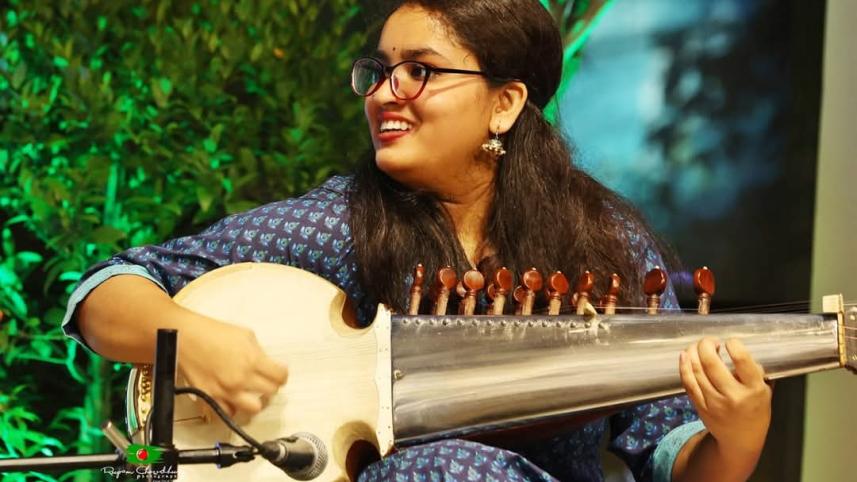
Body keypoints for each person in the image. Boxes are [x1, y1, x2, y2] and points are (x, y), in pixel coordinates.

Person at [62, 1, 772, 481]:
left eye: (419, 72)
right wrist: (189, 338)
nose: (382, 93)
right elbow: (107, 289)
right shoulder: (341, 223)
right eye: (378, 72)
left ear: (504, 103)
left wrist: (737, 434)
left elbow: (674, 459)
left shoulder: (601, 243)